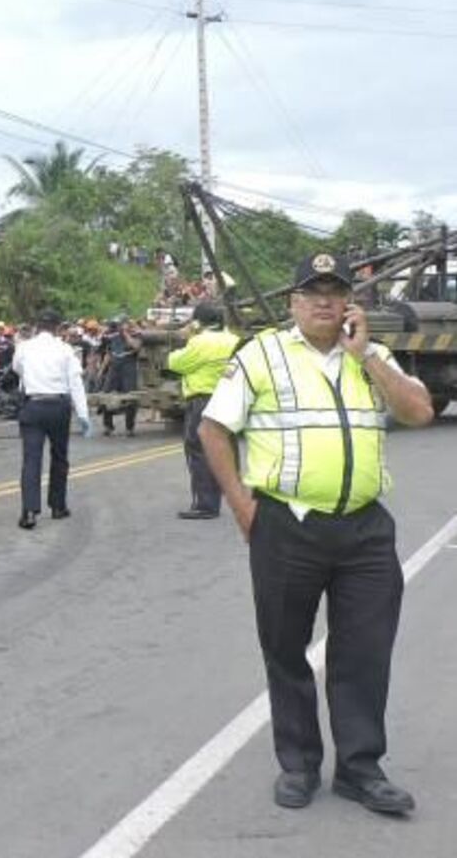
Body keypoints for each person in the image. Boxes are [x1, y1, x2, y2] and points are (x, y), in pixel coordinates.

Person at [199, 252, 434, 814]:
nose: (325, 301)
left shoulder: (372, 355)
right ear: (294, 303)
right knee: (285, 649)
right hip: (288, 524)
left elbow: (420, 411)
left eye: (335, 291)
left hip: (366, 529)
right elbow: (212, 430)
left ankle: (359, 768)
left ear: (351, 301)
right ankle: (299, 764)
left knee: (365, 651)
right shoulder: (261, 355)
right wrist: (241, 506)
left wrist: (368, 358)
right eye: (313, 292)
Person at [12, 309, 92, 529]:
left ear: (37, 326)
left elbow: (17, 369)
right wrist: (83, 415)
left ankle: (29, 511)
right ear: (58, 328)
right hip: (58, 406)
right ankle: (58, 506)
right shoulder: (66, 349)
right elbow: (75, 382)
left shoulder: (24, 347)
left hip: (33, 404)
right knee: (59, 456)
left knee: (31, 459)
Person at [166, 302, 240, 519]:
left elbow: (175, 363)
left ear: (198, 322)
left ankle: (205, 504)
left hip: (203, 400)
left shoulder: (199, 342)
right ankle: (233, 496)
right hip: (229, 399)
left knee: (198, 451)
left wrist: (185, 337)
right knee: (226, 449)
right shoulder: (234, 340)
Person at [99, 317, 142, 436]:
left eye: (122, 324)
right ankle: (108, 426)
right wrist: (102, 370)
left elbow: (136, 346)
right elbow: (108, 353)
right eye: (118, 325)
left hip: (129, 367)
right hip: (114, 367)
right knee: (106, 395)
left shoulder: (136, 335)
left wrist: (126, 334)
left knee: (130, 398)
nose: (119, 327)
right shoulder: (112, 336)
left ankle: (129, 428)